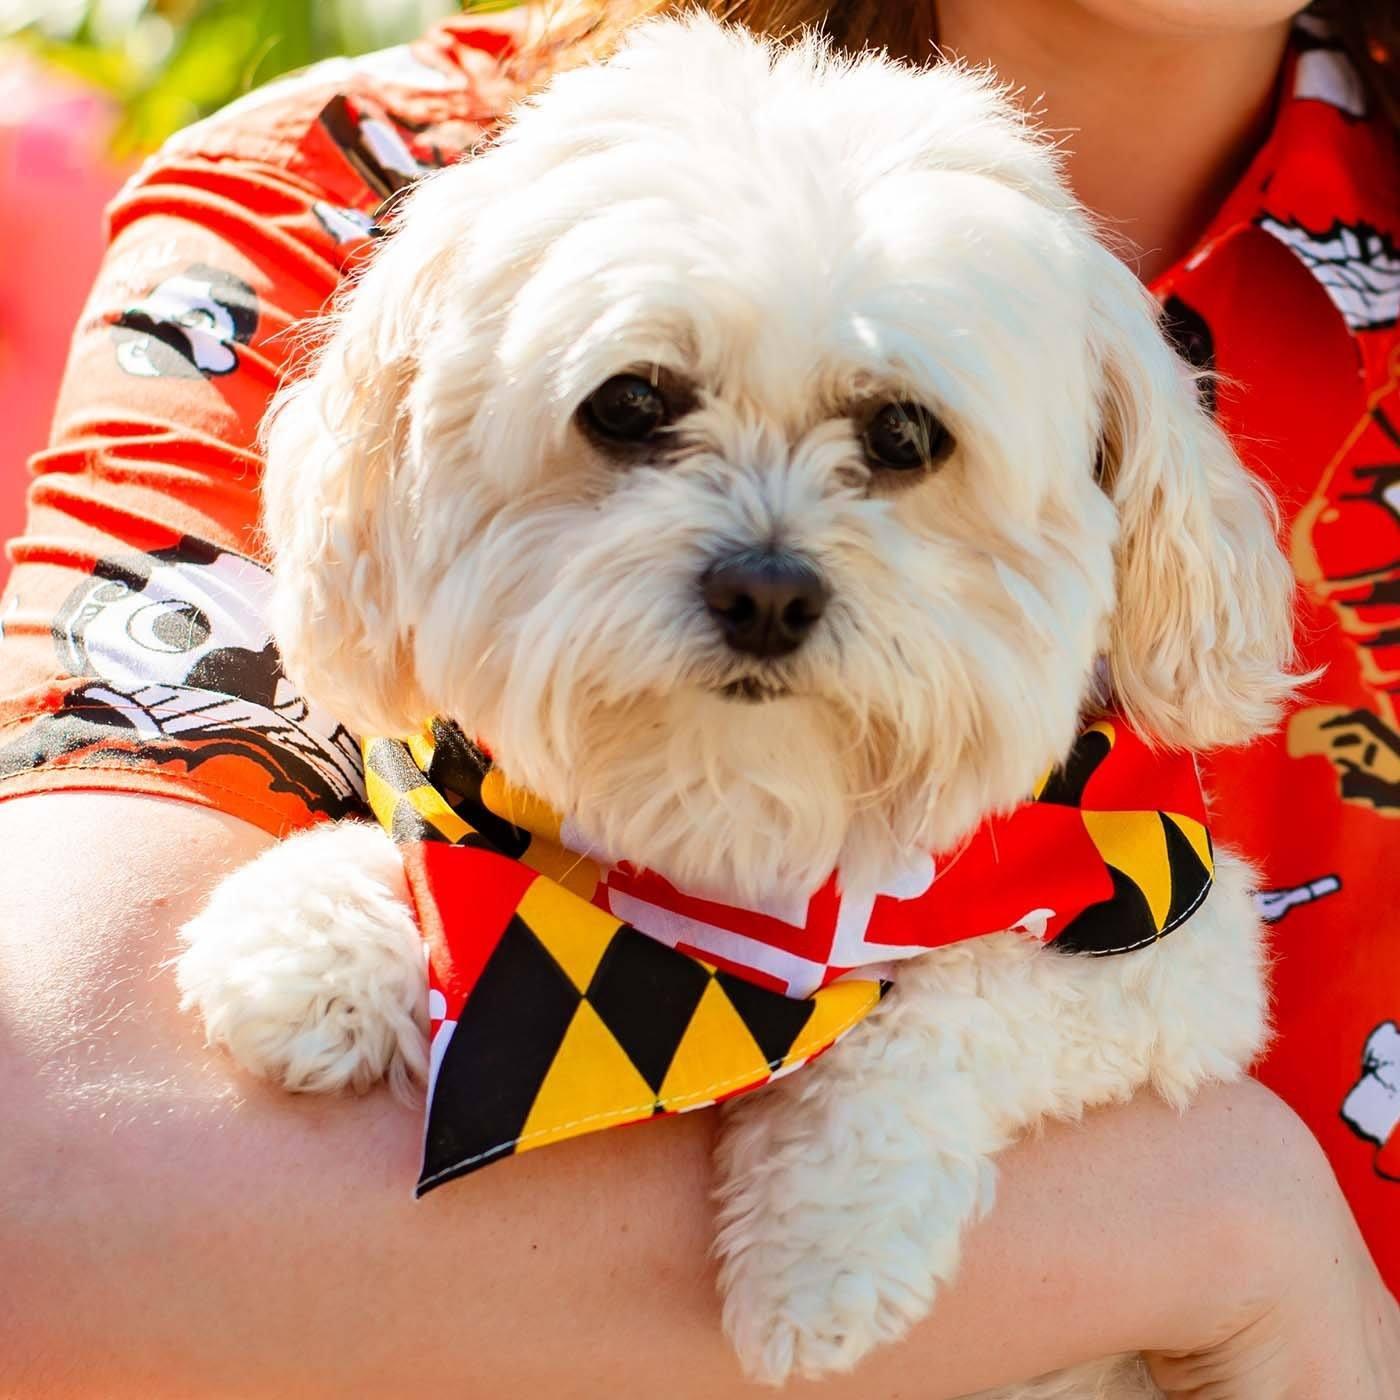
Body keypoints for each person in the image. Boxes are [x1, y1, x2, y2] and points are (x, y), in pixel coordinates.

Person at [1, 1, 1398, 1394]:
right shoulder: (342, 199)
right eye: (634, 414)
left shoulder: (1115, 900)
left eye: (897, 441)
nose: (769, 574)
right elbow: (49, 1179)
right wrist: (1223, 1224)